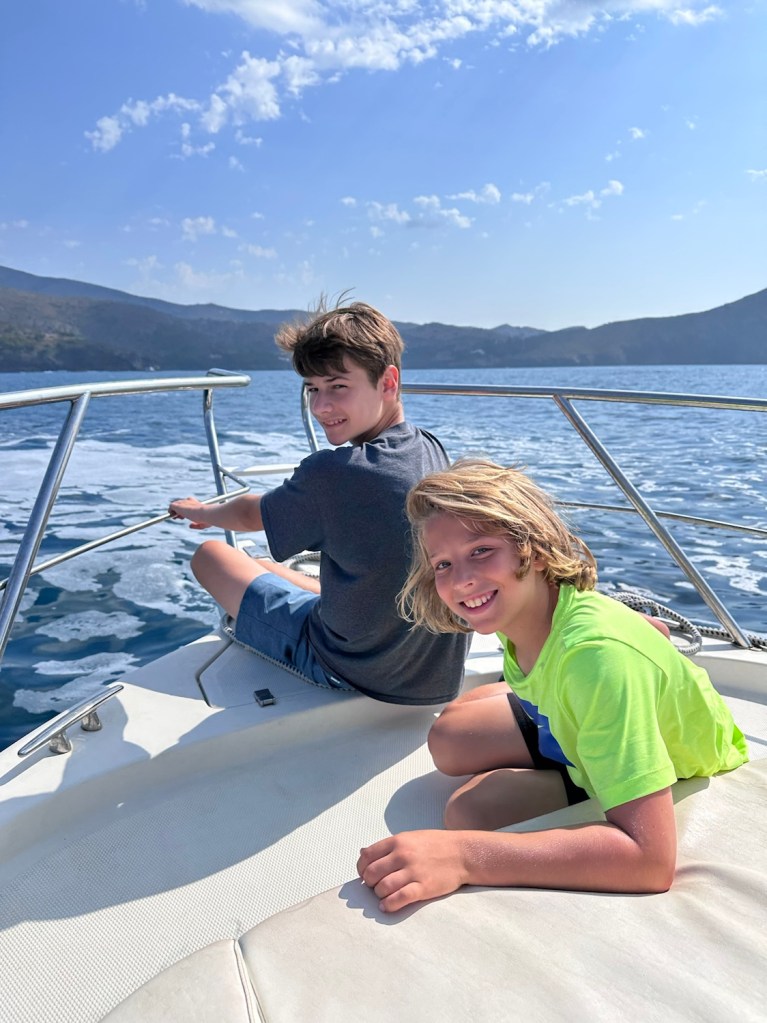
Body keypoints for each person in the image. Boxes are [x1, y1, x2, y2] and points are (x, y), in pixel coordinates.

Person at [357, 459, 748, 910]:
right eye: (442, 563)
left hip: (679, 767)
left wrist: (462, 858)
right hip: (576, 716)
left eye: (481, 550)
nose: (461, 579)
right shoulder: (526, 614)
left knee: (469, 815)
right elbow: (644, 635)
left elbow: (650, 862)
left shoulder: (595, 659)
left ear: (536, 550)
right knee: (449, 738)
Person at [169, 301, 469, 704]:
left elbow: (248, 513)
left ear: (387, 382)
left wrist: (201, 511)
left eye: (337, 386)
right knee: (261, 566)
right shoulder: (430, 447)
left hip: (354, 669)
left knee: (211, 556)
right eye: (312, 388)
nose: (320, 407)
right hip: (435, 674)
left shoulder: (335, 472)